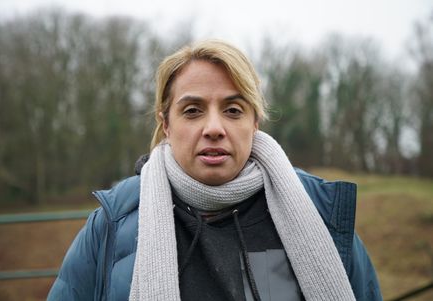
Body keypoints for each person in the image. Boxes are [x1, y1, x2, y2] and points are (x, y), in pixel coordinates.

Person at [47, 40, 382, 301]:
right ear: (165, 124)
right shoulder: (111, 223)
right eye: (192, 110)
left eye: (233, 110)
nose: (214, 128)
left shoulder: (319, 213)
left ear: (254, 122)